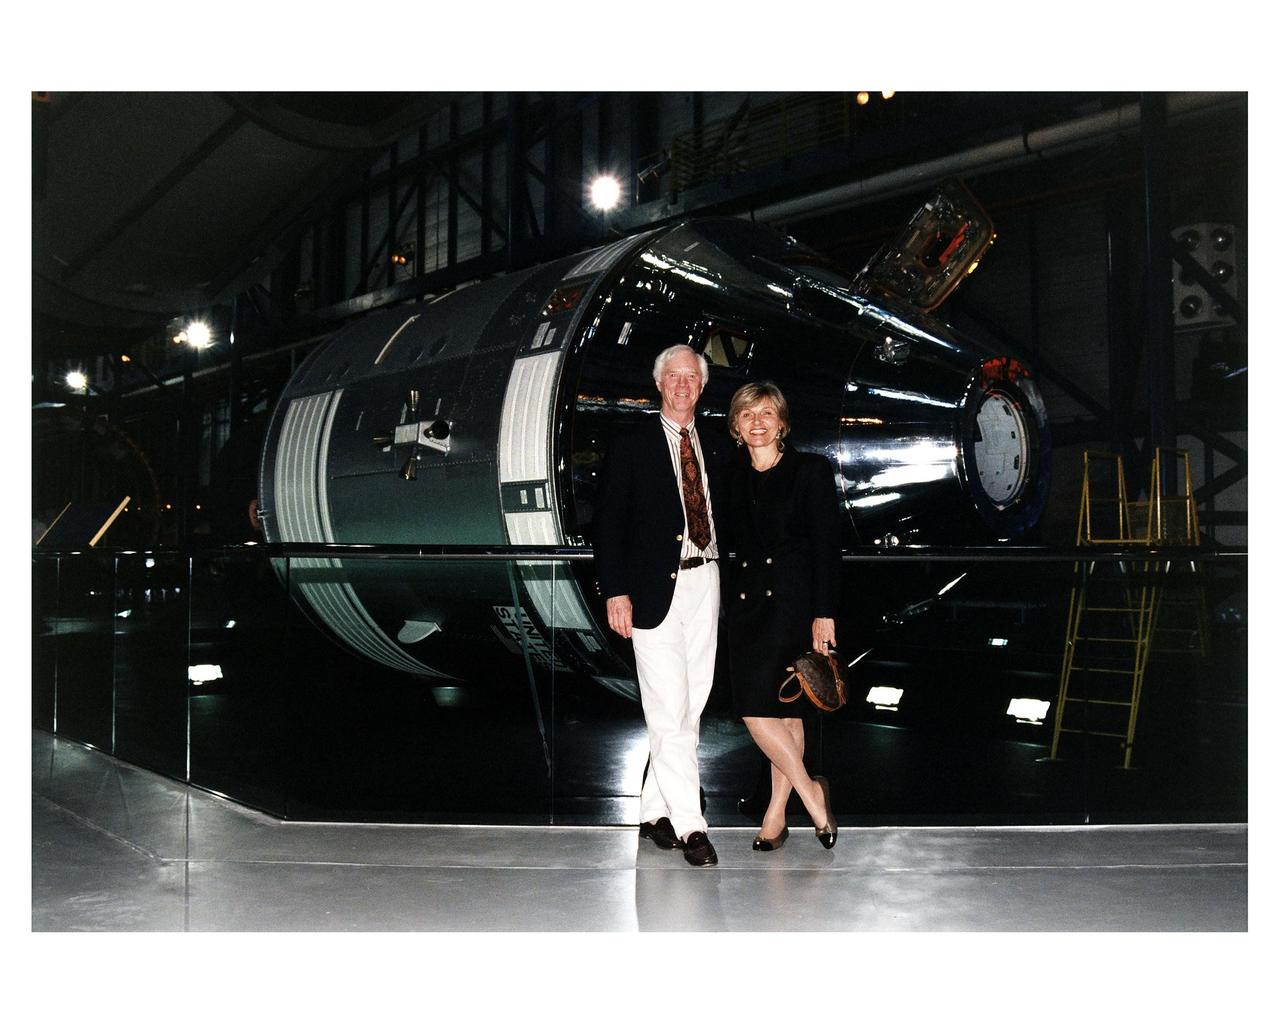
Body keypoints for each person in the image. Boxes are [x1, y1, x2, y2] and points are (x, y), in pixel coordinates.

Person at [594, 344, 724, 867]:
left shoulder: (716, 443)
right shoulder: (632, 443)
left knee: (690, 707)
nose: (682, 384)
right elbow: (608, 524)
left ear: (701, 386)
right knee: (667, 708)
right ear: (659, 384)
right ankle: (693, 825)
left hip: (706, 582)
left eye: (691, 377)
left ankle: (653, 811)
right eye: (673, 376)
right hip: (650, 593)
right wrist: (614, 590)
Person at [720, 381, 840, 851]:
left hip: (792, 606)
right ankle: (812, 795)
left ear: (781, 422)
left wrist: (824, 613)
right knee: (760, 709)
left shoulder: (810, 471)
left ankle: (777, 814)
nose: (757, 422)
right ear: (735, 425)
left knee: (782, 710)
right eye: (748, 415)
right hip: (746, 608)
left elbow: (828, 549)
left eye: (766, 413)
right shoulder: (729, 475)